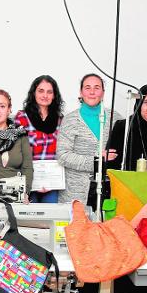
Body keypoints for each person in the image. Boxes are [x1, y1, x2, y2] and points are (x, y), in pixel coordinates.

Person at [57, 73, 123, 205]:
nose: (92, 92)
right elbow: (63, 156)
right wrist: (96, 160)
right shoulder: (70, 120)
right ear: (81, 92)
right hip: (76, 194)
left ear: (103, 92)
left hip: (109, 192)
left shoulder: (116, 118)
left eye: (97, 87)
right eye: (87, 87)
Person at [14, 75, 64, 203]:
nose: (45, 95)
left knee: (51, 219)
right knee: (28, 221)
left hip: (52, 182)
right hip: (28, 181)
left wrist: (49, 180)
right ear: (34, 93)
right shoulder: (22, 118)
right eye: (41, 91)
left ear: (54, 95)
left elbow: (63, 151)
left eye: (49, 92)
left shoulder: (61, 120)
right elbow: (15, 152)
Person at [108, 84, 147, 172]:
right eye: (146, 102)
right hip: (128, 184)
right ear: (138, 103)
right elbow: (111, 165)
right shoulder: (123, 127)